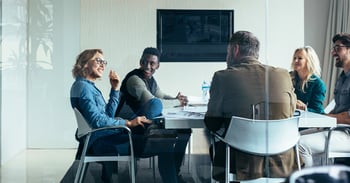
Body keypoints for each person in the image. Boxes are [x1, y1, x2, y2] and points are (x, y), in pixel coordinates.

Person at [204, 31, 299, 181]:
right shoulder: (283, 74)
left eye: (227, 51)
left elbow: (212, 122)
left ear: (235, 49)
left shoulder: (222, 77)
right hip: (282, 159)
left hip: (241, 163)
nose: (227, 56)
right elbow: (290, 112)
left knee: (214, 145)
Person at [70, 49, 151, 182]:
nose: (102, 65)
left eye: (104, 62)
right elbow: (97, 121)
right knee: (150, 141)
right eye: (98, 60)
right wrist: (127, 123)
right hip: (100, 141)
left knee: (148, 133)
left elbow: (108, 116)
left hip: (102, 136)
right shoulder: (83, 87)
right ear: (84, 63)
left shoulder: (87, 87)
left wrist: (115, 89)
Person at [115, 47, 191, 183]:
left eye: (152, 63)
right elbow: (152, 102)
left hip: (142, 122)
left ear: (158, 66)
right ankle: (172, 177)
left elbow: (160, 96)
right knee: (166, 138)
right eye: (144, 62)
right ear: (140, 62)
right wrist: (176, 102)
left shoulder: (150, 79)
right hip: (128, 126)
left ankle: (176, 171)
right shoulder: (134, 79)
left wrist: (176, 99)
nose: (147, 66)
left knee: (185, 130)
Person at [299, 33, 350, 167]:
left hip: (347, 133)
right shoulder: (342, 77)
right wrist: (323, 119)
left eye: (338, 48)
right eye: (333, 48)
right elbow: (339, 108)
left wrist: (325, 117)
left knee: (300, 145)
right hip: (338, 129)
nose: (333, 52)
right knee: (292, 138)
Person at [290, 46, 326, 114]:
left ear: (309, 61)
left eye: (300, 58)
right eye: (294, 58)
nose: (295, 61)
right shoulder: (288, 77)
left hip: (310, 121)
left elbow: (317, 110)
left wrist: (304, 108)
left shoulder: (318, 84)